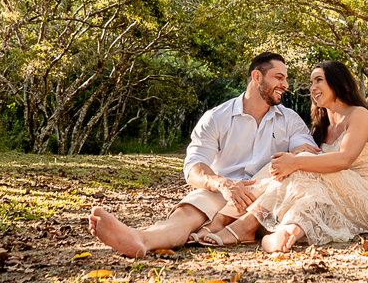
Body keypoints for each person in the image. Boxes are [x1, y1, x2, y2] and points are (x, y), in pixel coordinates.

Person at [88, 52, 317, 257]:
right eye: (279, 77)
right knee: (185, 216)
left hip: (268, 194)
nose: (285, 84)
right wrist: (223, 184)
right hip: (223, 191)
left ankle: (231, 226)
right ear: (257, 77)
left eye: (285, 79)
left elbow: (306, 152)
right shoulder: (216, 117)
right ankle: (140, 239)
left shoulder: (290, 120)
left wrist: (295, 154)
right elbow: (194, 166)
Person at [196, 60, 368, 252]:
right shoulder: (322, 125)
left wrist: (296, 161)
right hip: (335, 199)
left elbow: (344, 159)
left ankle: (236, 222)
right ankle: (286, 232)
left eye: (319, 80)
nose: (312, 88)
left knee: (302, 163)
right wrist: (293, 161)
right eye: (311, 83)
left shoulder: (359, 114)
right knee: (306, 186)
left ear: (338, 82)